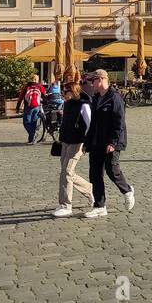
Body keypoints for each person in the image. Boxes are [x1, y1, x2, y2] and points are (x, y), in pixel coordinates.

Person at [82, 70, 134, 219]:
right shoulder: (96, 98)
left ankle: (127, 190)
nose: (92, 84)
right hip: (97, 141)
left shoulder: (115, 97)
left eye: (93, 81)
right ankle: (99, 206)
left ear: (101, 80)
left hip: (112, 141)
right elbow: (93, 123)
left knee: (112, 170)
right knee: (95, 174)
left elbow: (119, 122)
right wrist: (87, 142)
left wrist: (113, 142)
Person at [53, 81, 95, 217]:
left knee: (67, 171)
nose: (63, 94)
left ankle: (66, 205)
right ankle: (89, 189)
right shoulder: (67, 104)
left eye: (66, 91)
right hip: (65, 141)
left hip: (78, 142)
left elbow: (90, 125)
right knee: (67, 173)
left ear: (73, 92)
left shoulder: (84, 105)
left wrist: (86, 144)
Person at [18, 73, 46, 145]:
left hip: (28, 107)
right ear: (37, 79)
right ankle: (31, 140)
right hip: (37, 106)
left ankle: (33, 135)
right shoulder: (40, 86)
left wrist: (18, 107)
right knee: (33, 123)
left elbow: (21, 97)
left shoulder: (26, 86)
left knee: (26, 123)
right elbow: (44, 96)